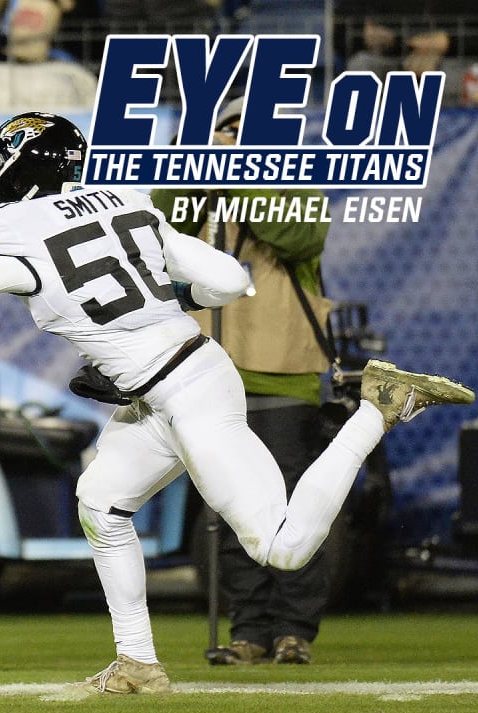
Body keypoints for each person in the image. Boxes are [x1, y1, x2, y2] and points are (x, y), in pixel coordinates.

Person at [0, 110, 476, 694]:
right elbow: (229, 280)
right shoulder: (124, 205)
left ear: (20, 174)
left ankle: (376, 410)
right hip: (176, 378)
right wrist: (165, 302)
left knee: (281, 545)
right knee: (100, 499)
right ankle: (138, 662)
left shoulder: (11, 235)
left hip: (185, 391)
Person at [150, 96, 332, 666]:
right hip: (209, 376)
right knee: (228, 511)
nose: (229, 142)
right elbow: (159, 229)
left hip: (283, 377)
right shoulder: (197, 186)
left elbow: (301, 237)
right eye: (222, 131)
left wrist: (240, 175)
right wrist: (194, 170)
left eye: (241, 133)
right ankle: (249, 629)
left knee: (291, 505)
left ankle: (294, 629)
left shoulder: (295, 185)